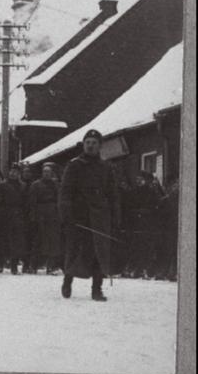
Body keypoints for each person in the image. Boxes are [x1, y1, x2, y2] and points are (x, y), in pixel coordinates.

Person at [58, 129, 121, 301]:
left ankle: (97, 289)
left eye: (94, 143)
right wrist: (66, 215)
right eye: (88, 143)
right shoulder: (75, 165)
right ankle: (67, 281)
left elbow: (112, 194)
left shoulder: (106, 167)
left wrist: (115, 216)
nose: (91, 146)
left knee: (99, 253)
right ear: (83, 145)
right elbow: (65, 192)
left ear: (100, 146)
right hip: (78, 217)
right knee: (75, 251)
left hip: (100, 217)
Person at [125, 171, 162, 279]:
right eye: (137, 179)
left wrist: (147, 213)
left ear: (146, 180)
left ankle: (145, 270)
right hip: (135, 223)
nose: (138, 181)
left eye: (140, 179)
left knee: (147, 248)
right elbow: (128, 206)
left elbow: (156, 207)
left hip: (148, 224)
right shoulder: (133, 192)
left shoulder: (152, 192)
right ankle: (133, 269)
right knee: (134, 246)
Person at [28, 162, 62, 274]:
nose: (46, 174)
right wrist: (33, 216)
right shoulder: (36, 185)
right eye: (44, 172)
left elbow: (59, 199)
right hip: (40, 214)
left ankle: (50, 266)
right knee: (38, 240)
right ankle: (33, 266)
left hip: (53, 215)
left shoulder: (56, 185)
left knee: (53, 241)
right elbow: (32, 202)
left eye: (48, 172)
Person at [0, 163, 28, 275]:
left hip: (18, 216)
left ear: (19, 174)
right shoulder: (2, 185)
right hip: (5, 215)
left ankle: (14, 266)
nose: (13, 173)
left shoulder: (23, 186)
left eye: (16, 172)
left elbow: (25, 203)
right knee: (3, 241)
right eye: (12, 171)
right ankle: (0, 262)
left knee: (17, 242)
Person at [20, 164, 39, 273]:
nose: (27, 174)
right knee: (24, 241)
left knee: (33, 241)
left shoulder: (34, 185)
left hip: (33, 216)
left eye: (29, 172)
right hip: (22, 215)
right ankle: (25, 263)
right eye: (25, 172)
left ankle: (32, 264)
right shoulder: (20, 185)